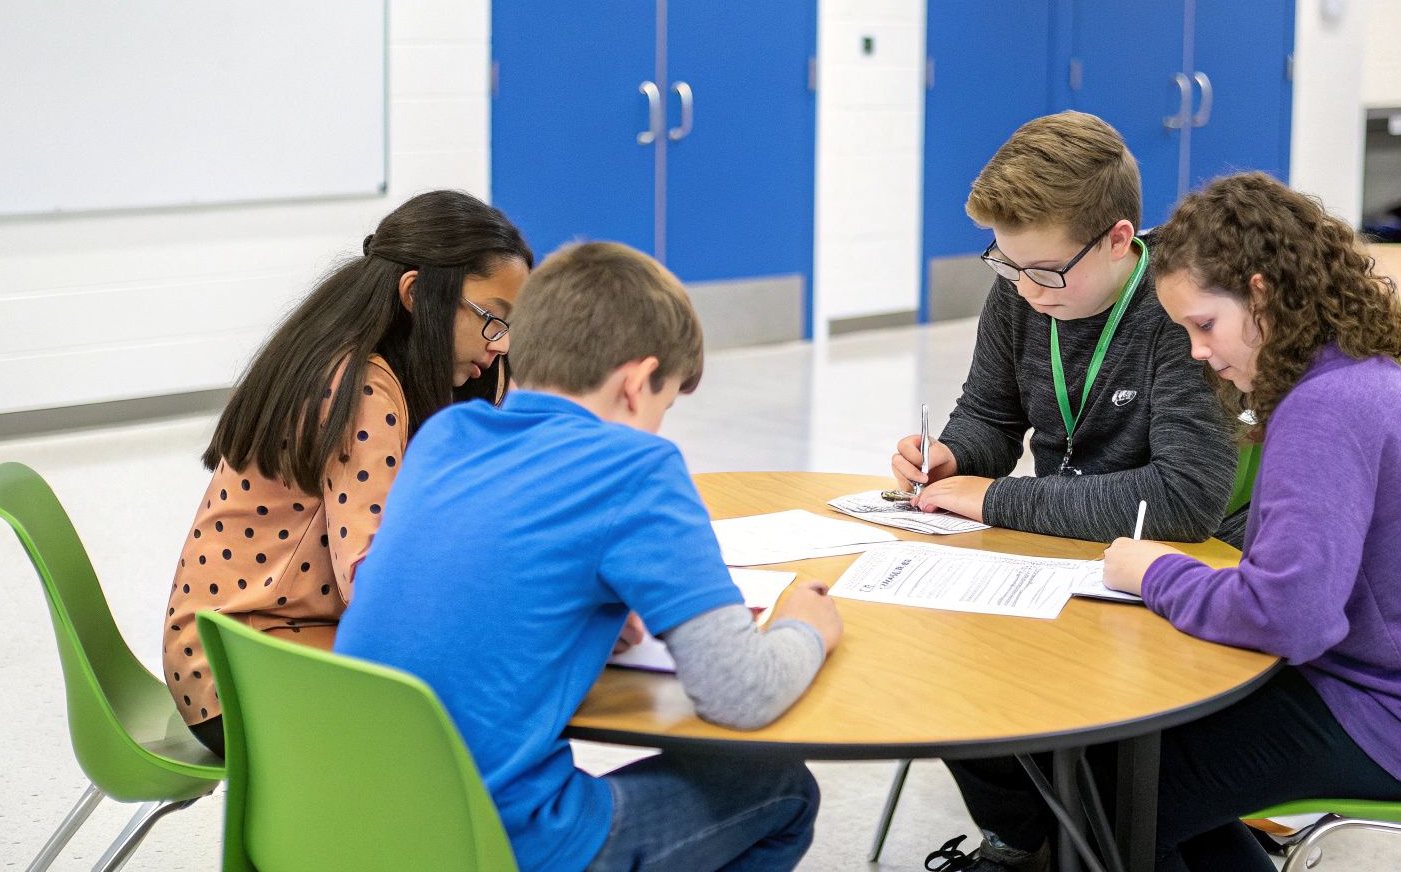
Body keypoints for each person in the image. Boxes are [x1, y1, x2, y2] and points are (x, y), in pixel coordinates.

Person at [1081, 171, 1401, 872]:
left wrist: (1157, 572)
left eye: (1204, 325)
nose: (1198, 353)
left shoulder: (1325, 408)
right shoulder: (1353, 370)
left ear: (1263, 294)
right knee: (1139, 766)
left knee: (1122, 791)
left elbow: (1289, 617)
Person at [335, 241, 843, 872]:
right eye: (664, 406)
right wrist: (805, 625)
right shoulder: (637, 467)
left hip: (349, 822)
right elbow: (739, 692)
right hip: (496, 843)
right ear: (635, 384)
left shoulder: (446, 434)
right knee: (782, 787)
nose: (660, 427)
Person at [161, 190, 533, 758]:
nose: (500, 344)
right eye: (492, 320)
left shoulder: (364, 360)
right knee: (492, 695)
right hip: (243, 674)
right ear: (415, 295)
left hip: (246, 650)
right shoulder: (363, 386)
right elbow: (375, 582)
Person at [889, 111, 1239, 546]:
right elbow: (990, 416)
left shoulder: (1182, 310)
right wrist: (954, 456)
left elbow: (1183, 500)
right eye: (1009, 263)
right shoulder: (1019, 286)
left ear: (1117, 240)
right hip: (1066, 539)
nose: (1027, 291)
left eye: (1048, 271)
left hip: (1192, 557)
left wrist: (997, 499)